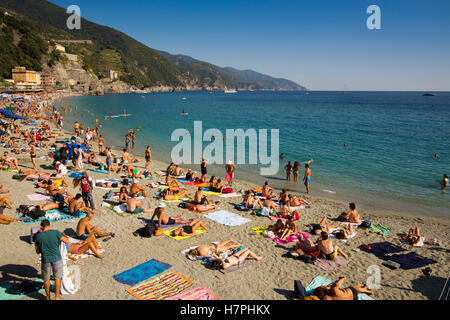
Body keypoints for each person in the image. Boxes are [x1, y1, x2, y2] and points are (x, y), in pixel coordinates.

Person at [34, 219, 70, 300]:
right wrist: (63, 234)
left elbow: (37, 251)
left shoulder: (38, 236)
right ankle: (57, 297)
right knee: (57, 278)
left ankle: (47, 297)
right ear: (49, 225)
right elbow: (67, 241)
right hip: (56, 258)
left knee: (46, 279)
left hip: (45, 259)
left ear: (41, 227)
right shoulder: (55, 232)